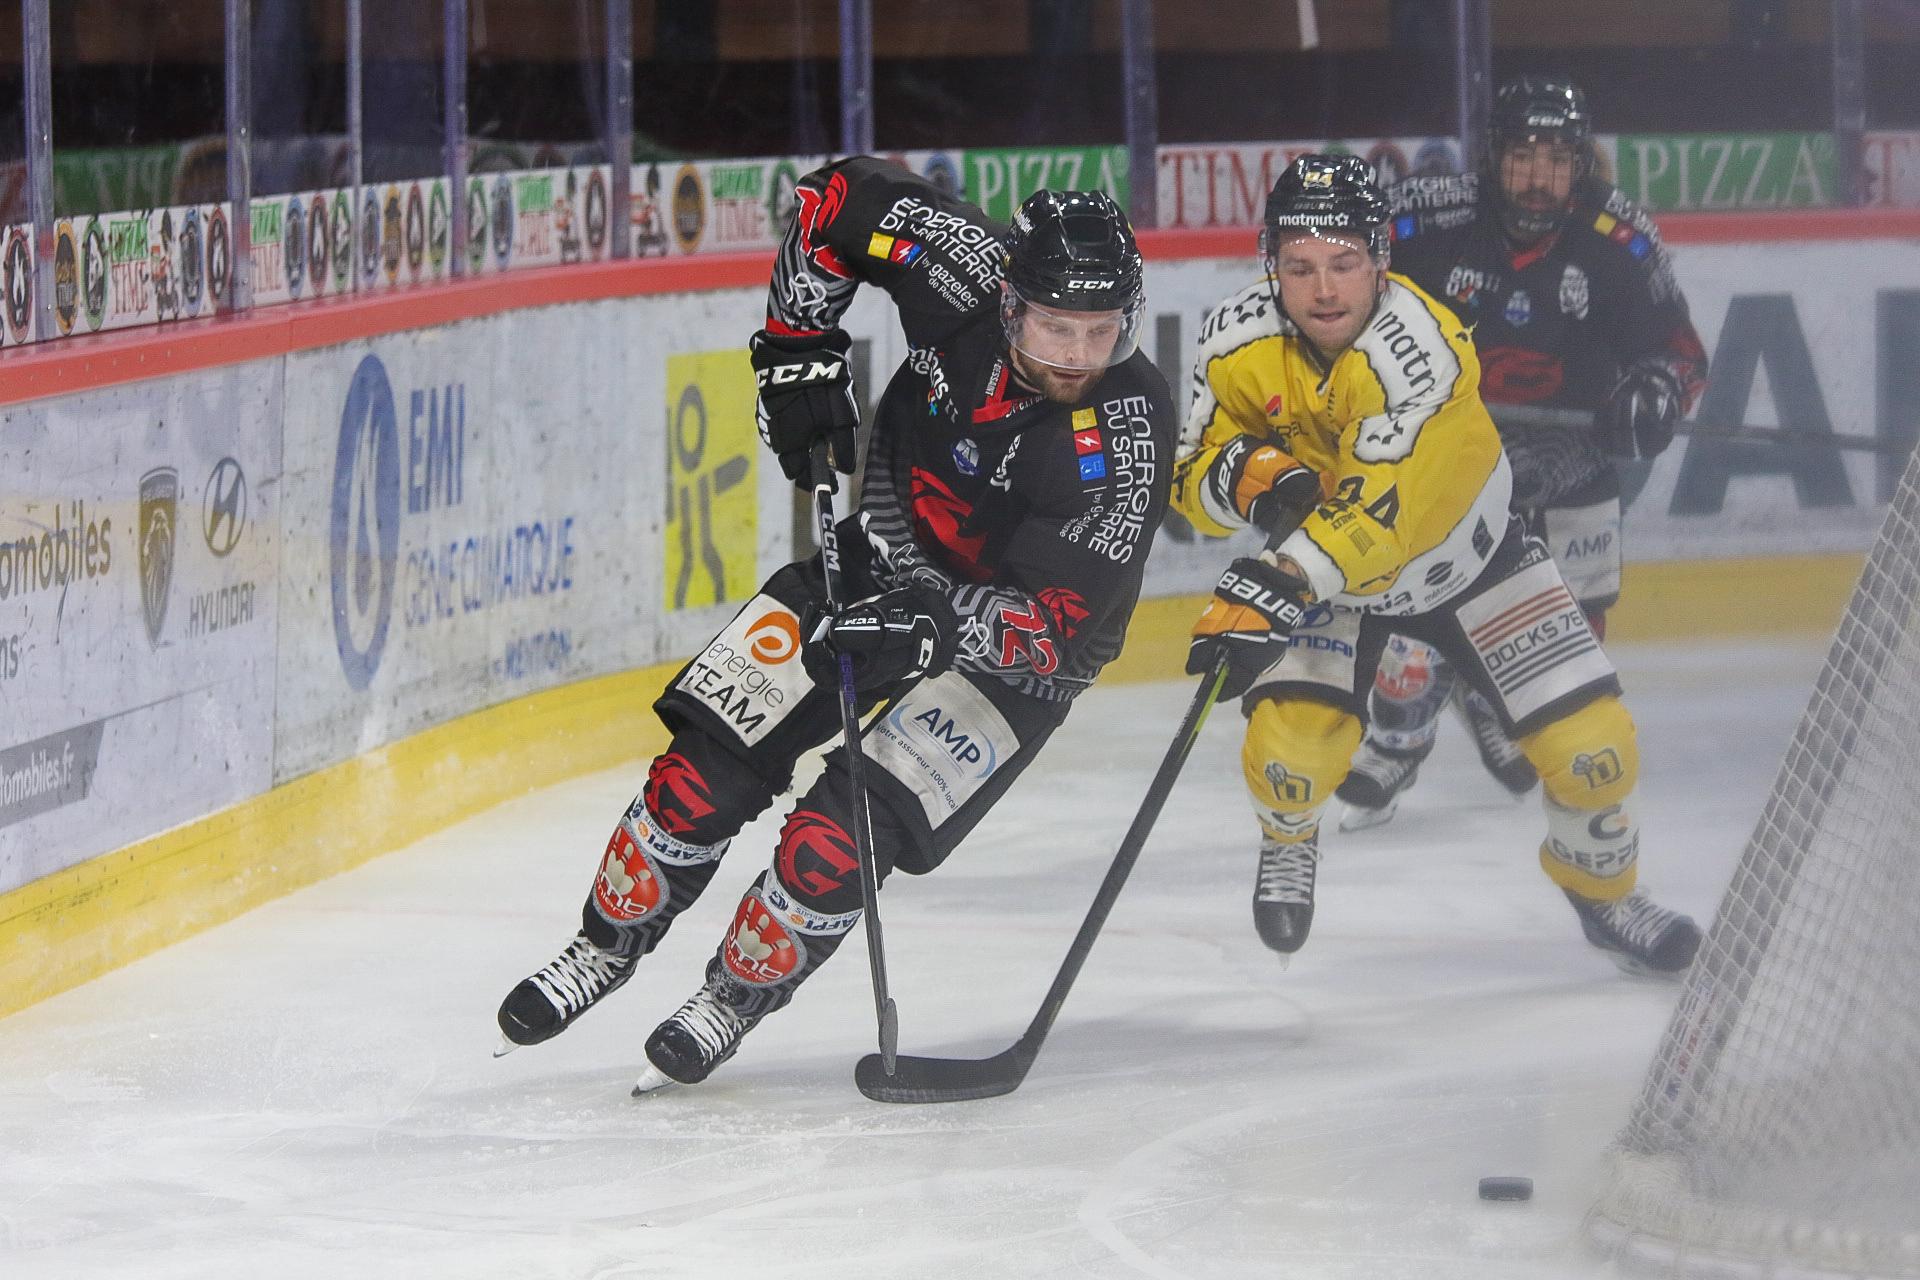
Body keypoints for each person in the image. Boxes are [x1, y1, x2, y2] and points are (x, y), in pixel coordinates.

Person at [495, 157, 1177, 1091]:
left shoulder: (1124, 436)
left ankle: (730, 998)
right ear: (1010, 302)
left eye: (1099, 334)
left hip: (1011, 665)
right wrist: (794, 341)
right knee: (702, 770)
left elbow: (1056, 624)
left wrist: (935, 628)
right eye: (1056, 326)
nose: (1073, 354)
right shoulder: (964, 267)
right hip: (881, 557)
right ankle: (604, 947)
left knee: (837, 840)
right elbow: (837, 199)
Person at [1172, 152, 1701, 976]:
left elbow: (1386, 516)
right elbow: (1190, 473)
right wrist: (1253, 479)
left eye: (1344, 264)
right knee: (1289, 759)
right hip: (1333, 575)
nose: (1322, 291)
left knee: (1596, 752)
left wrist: (1280, 580)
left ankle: (1603, 894)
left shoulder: (1421, 345)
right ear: (1269, 261)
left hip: (1469, 560)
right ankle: (1288, 835)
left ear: (1380, 259)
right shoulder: (1232, 339)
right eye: (1299, 266)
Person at [1337, 77, 1710, 829]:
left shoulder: (1618, 237)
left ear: (1581, 163)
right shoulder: (1422, 220)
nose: (1539, 177)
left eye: (1557, 158)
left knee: (1566, 649)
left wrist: (1656, 389)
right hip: (1452, 457)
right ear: (1490, 158)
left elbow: (1675, 348)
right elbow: (1336, 299)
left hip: (1574, 459)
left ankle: (1497, 700)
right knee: (1407, 633)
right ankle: (1399, 738)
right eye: (1522, 156)